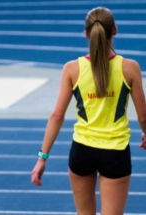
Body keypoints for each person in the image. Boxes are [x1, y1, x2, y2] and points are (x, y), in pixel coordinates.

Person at [31, 6, 146, 215]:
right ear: (115, 30)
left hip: (82, 151)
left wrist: (42, 157)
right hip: (116, 152)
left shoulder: (72, 69)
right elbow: (143, 116)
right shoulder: (130, 68)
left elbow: (57, 115)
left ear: (86, 33)